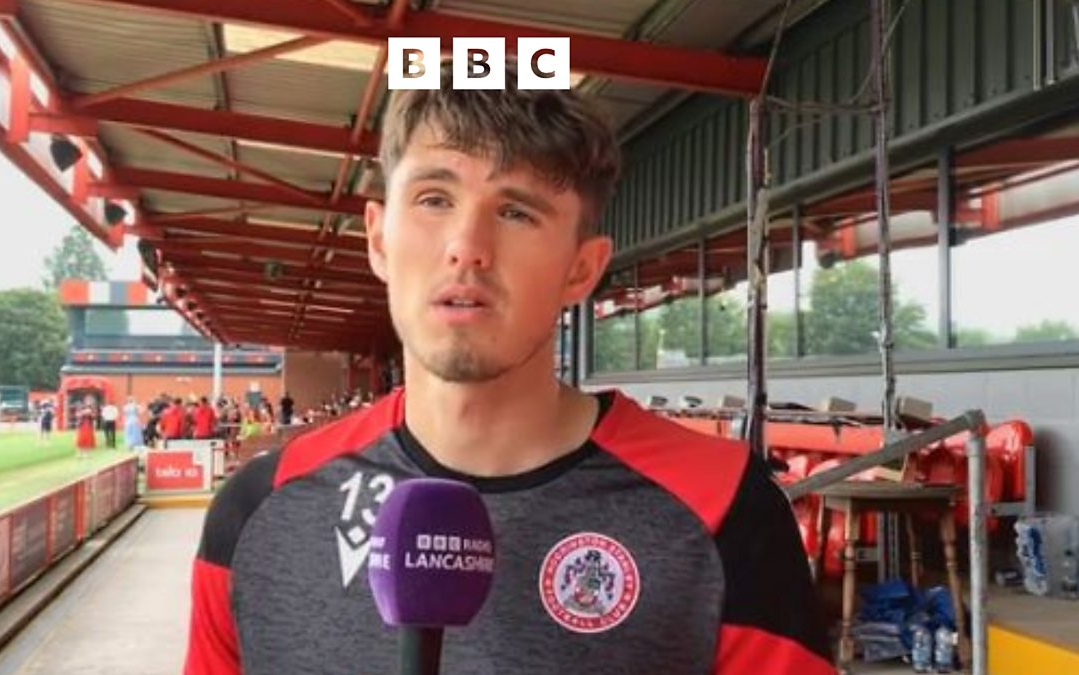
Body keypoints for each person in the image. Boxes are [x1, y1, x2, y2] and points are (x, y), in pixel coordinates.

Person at [184, 62, 832, 675]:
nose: (467, 247)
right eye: (434, 198)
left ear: (581, 268)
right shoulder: (258, 511)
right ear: (378, 238)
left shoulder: (725, 510)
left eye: (516, 211)